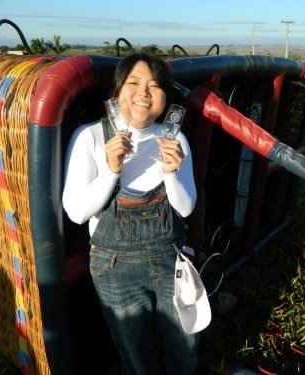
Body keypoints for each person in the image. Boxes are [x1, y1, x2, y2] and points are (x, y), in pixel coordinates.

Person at [62, 53, 198, 374]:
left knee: (185, 345)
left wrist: (171, 173)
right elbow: (77, 213)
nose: (144, 93)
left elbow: (186, 207)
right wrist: (110, 171)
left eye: (154, 86)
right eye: (133, 83)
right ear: (116, 92)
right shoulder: (91, 137)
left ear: (166, 99)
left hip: (168, 257)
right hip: (114, 266)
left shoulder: (174, 137)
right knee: (136, 353)